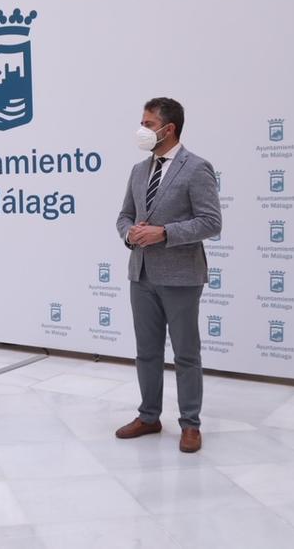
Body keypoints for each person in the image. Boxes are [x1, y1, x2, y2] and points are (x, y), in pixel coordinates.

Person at [114, 97, 222, 453]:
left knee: (186, 353)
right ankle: (149, 416)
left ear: (168, 128)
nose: (142, 129)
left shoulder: (196, 168)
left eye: (147, 124)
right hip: (141, 273)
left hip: (181, 275)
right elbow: (124, 216)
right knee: (146, 351)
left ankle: (190, 424)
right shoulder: (138, 170)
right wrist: (130, 233)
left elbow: (211, 221)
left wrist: (164, 233)